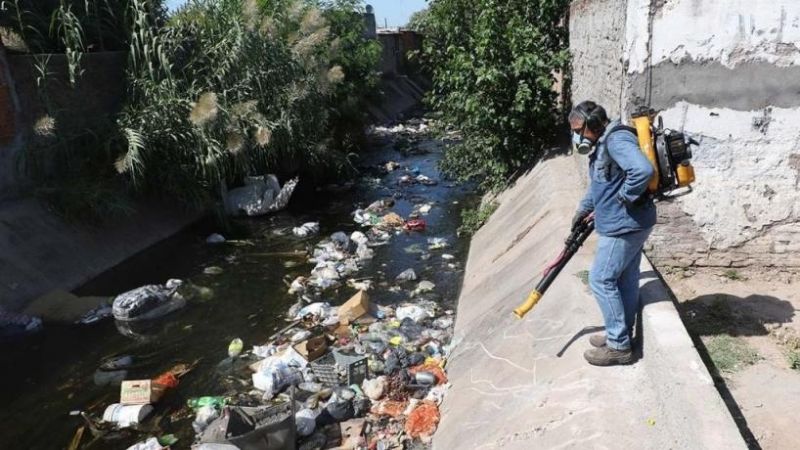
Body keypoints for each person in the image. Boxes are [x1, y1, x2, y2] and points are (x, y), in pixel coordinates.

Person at [569, 100, 656, 366]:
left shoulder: (616, 141)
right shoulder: (601, 145)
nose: (577, 136)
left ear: (593, 125)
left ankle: (618, 346)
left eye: (579, 130)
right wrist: (582, 211)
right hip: (627, 223)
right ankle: (620, 333)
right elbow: (599, 185)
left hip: (624, 225)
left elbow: (642, 170)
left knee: (601, 279)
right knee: (625, 280)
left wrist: (623, 197)